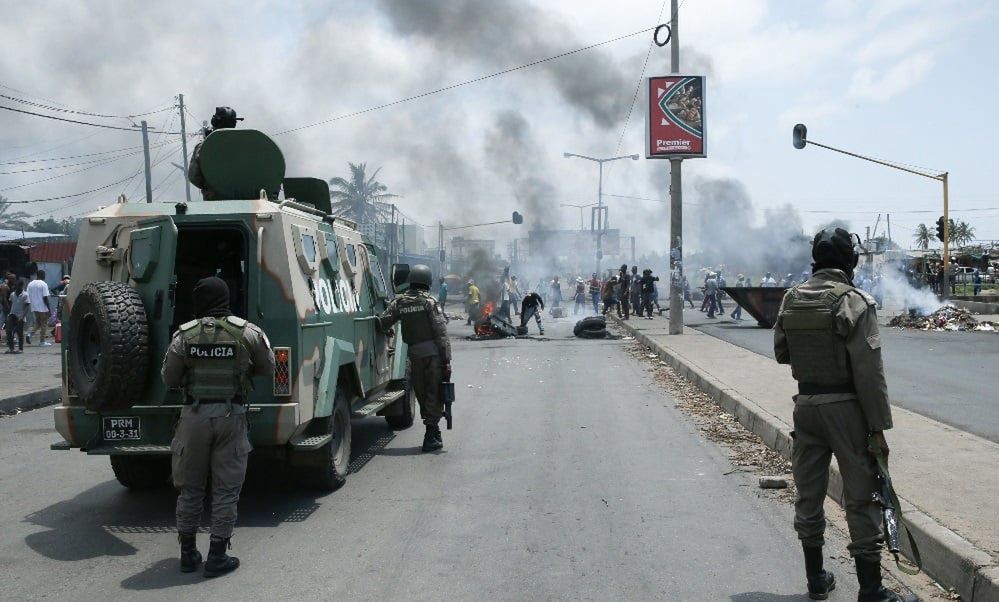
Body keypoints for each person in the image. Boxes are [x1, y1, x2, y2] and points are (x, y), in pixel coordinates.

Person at [774, 228, 904, 602]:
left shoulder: (791, 298)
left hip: (807, 407)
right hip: (845, 410)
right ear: (851, 261)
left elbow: (782, 353)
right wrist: (878, 429)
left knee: (809, 494)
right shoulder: (856, 302)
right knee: (861, 497)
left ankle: (816, 579)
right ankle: (870, 589)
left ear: (815, 259)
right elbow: (869, 373)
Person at [162, 277, 275, 577]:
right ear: (226, 299)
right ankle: (217, 556)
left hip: (193, 416)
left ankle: (187, 553)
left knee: (190, 488)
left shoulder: (184, 335)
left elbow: (169, 378)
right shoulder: (247, 332)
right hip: (231, 415)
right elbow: (268, 366)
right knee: (226, 490)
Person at [379, 265, 452, 452]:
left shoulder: (400, 302)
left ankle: (433, 432)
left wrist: (384, 329)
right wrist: (446, 360)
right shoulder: (430, 302)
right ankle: (431, 434)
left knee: (420, 393)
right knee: (433, 394)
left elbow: (383, 321)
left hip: (414, 356)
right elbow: (441, 333)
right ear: (427, 281)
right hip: (433, 357)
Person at [188, 107, 243, 200]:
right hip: (248, 201)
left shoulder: (203, 146)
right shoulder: (247, 143)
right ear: (234, 123)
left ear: (214, 122)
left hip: (214, 201)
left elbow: (194, 177)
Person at [26, 270, 51, 346]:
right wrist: (49, 308)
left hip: (34, 307)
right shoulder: (43, 284)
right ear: (42, 275)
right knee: (44, 324)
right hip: (43, 307)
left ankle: (30, 334)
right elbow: (45, 297)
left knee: (38, 322)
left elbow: (28, 295)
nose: (45, 276)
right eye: (44, 275)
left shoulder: (30, 284)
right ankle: (42, 341)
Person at [5, 279, 29, 354]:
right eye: (16, 286)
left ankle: (20, 348)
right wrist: (9, 313)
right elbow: (11, 304)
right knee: (8, 331)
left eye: (18, 286)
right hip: (12, 314)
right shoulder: (12, 294)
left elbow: (27, 307)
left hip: (20, 316)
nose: (17, 288)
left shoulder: (25, 295)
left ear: (21, 286)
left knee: (19, 332)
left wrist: (22, 317)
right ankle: (11, 348)